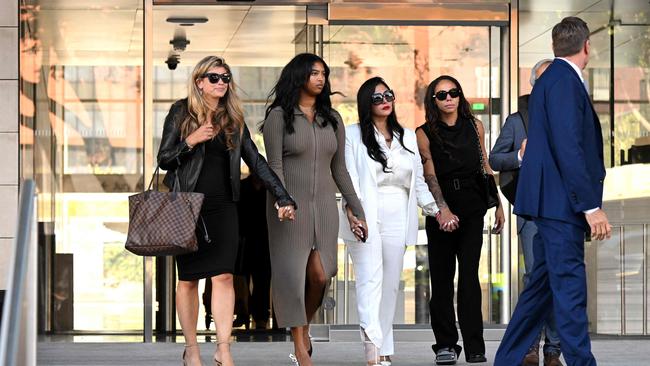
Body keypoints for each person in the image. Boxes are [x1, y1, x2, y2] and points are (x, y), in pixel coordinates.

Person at [157, 55, 296, 366]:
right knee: (189, 280)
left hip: (224, 207)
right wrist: (191, 140)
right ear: (199, 82)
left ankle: (223, 348)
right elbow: (164, 159)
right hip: (188, 207)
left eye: (226, 77)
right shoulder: (181, 112)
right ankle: (191, 348)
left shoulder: (232, 119)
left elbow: (256, 161)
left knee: (223, 276)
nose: (222, 82)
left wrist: (283, 196)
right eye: (215, 77)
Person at [494, 17, 612, 366]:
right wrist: (591, 207)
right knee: (570, 289)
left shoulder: (552, 79)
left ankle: (508, 359)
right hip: (561, 206)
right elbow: (568, 146)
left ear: (555, 46)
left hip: (550, 204)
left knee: (540, 290)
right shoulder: (563, 81)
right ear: (587, 46)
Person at [261, 53, 367, 366]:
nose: (320, 79)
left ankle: (303, 326)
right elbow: (274, 164)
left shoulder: (332, 119)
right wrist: (282, 199)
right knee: (293, 277)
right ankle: (301, 349)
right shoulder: (279, 117)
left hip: (323, 205)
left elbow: (341, 169)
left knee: (321, 275)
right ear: (298, 77)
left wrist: (355, 206)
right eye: (313, 73)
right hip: (287, 208)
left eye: (323, 73)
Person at [340, 77, 440, 366]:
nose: (385, 100)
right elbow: (350, 178)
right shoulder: (352, 134)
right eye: (376, 97)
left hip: (399, 212)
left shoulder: (407, 136)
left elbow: (418, 182)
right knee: (370, 279)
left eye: (388, 94)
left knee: (390, 285)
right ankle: (372, 346)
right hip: (367, 212)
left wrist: (437, 210)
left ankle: (384, 346)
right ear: (365, 104)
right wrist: (354, 210)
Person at [415, 75, 505, 365]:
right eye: (441, 95)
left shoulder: (475, 126)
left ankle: (474, 345)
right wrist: (442, 210)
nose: (449, 98)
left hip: (472, 207)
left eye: (454, 92)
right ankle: (445, 344)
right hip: (442, 209)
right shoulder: (424, 132)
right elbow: (429, 175)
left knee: (469, 277)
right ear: (434, 101)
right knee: (441, 280)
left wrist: (499, 205)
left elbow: (484, 165)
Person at [489, 59, 564, 366]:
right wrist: (520, 154)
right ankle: (530, 347)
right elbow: (495, 159)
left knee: (558, 278)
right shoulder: (518, 120)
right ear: (533, 84)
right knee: (536, 277)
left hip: (563, 212)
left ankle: (553, 350)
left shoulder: (571, 115)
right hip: (532, 211)